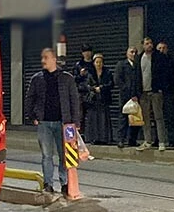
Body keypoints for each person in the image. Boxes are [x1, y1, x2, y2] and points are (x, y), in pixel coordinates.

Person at [25, 48, 83, 198]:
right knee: (47, 155)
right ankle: (48, 184)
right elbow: (30, 98)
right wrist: (32, 116)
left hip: (64, 123)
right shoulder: (37, 79)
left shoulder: (67, 78)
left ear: (54, 59)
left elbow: (74, 100)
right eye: (42, 57)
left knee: (65, 155)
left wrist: (76, 122)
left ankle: (65, 183)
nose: (43, 61)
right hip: (44, 122)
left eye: (46, 57)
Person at [136, 37, 171, 151]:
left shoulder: (159, 57)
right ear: (143, 45)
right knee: (145, 118)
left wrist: (161, 88)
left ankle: (161, 141)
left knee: (158, 117)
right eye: (147, 43)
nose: (149, 45)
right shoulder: (139, 58)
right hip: (143, 92)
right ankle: (147, 141)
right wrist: (136, 92)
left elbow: (165, 73)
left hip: (155, 91)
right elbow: (136, 76)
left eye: (150, 43)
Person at [80, 53, 113, 144]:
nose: (98, 64)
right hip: (93, 99)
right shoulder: (90, 73)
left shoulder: (107, 72)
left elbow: (111, 84)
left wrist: (102, 88)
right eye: (97, 62)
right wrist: (93, 88)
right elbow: (85, 85)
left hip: (103, 98)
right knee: (93, 119)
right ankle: (94, 138)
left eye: (100, 62)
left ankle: (104, 138)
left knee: (103, 118)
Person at [114, 46, 140, 148]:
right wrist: (127, 91)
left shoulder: (137, 66)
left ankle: (132, 140)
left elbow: (139, 81)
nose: (133, 54)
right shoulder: (121, 65)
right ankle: (120, 139)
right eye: (131, 52)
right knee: (123, 118)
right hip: (125, 96)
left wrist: (137, 94)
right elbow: (118, 80)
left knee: (135, 118)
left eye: (135, 52)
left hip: (135, 96)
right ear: (127, 53)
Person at [157, 40, 174, 148]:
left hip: (170, 93)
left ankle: (171, 140)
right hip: (157, 93)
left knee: (170, 117)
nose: (161, 50)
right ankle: (157, 139)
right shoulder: (154, 61)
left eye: (163, 48)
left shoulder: (172, 61)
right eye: (159, 48)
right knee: (157, 117)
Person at [72, 44, 95, 132]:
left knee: (92, 115)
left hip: (92, 92)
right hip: (81, 92)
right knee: (80, 115)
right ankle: (80, 133)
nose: (87, 53)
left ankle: (91, 133)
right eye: (85, 52)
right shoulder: (78, 65)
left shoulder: (94, 64)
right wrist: (80, 75)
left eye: (88, 51)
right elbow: (74, 79)